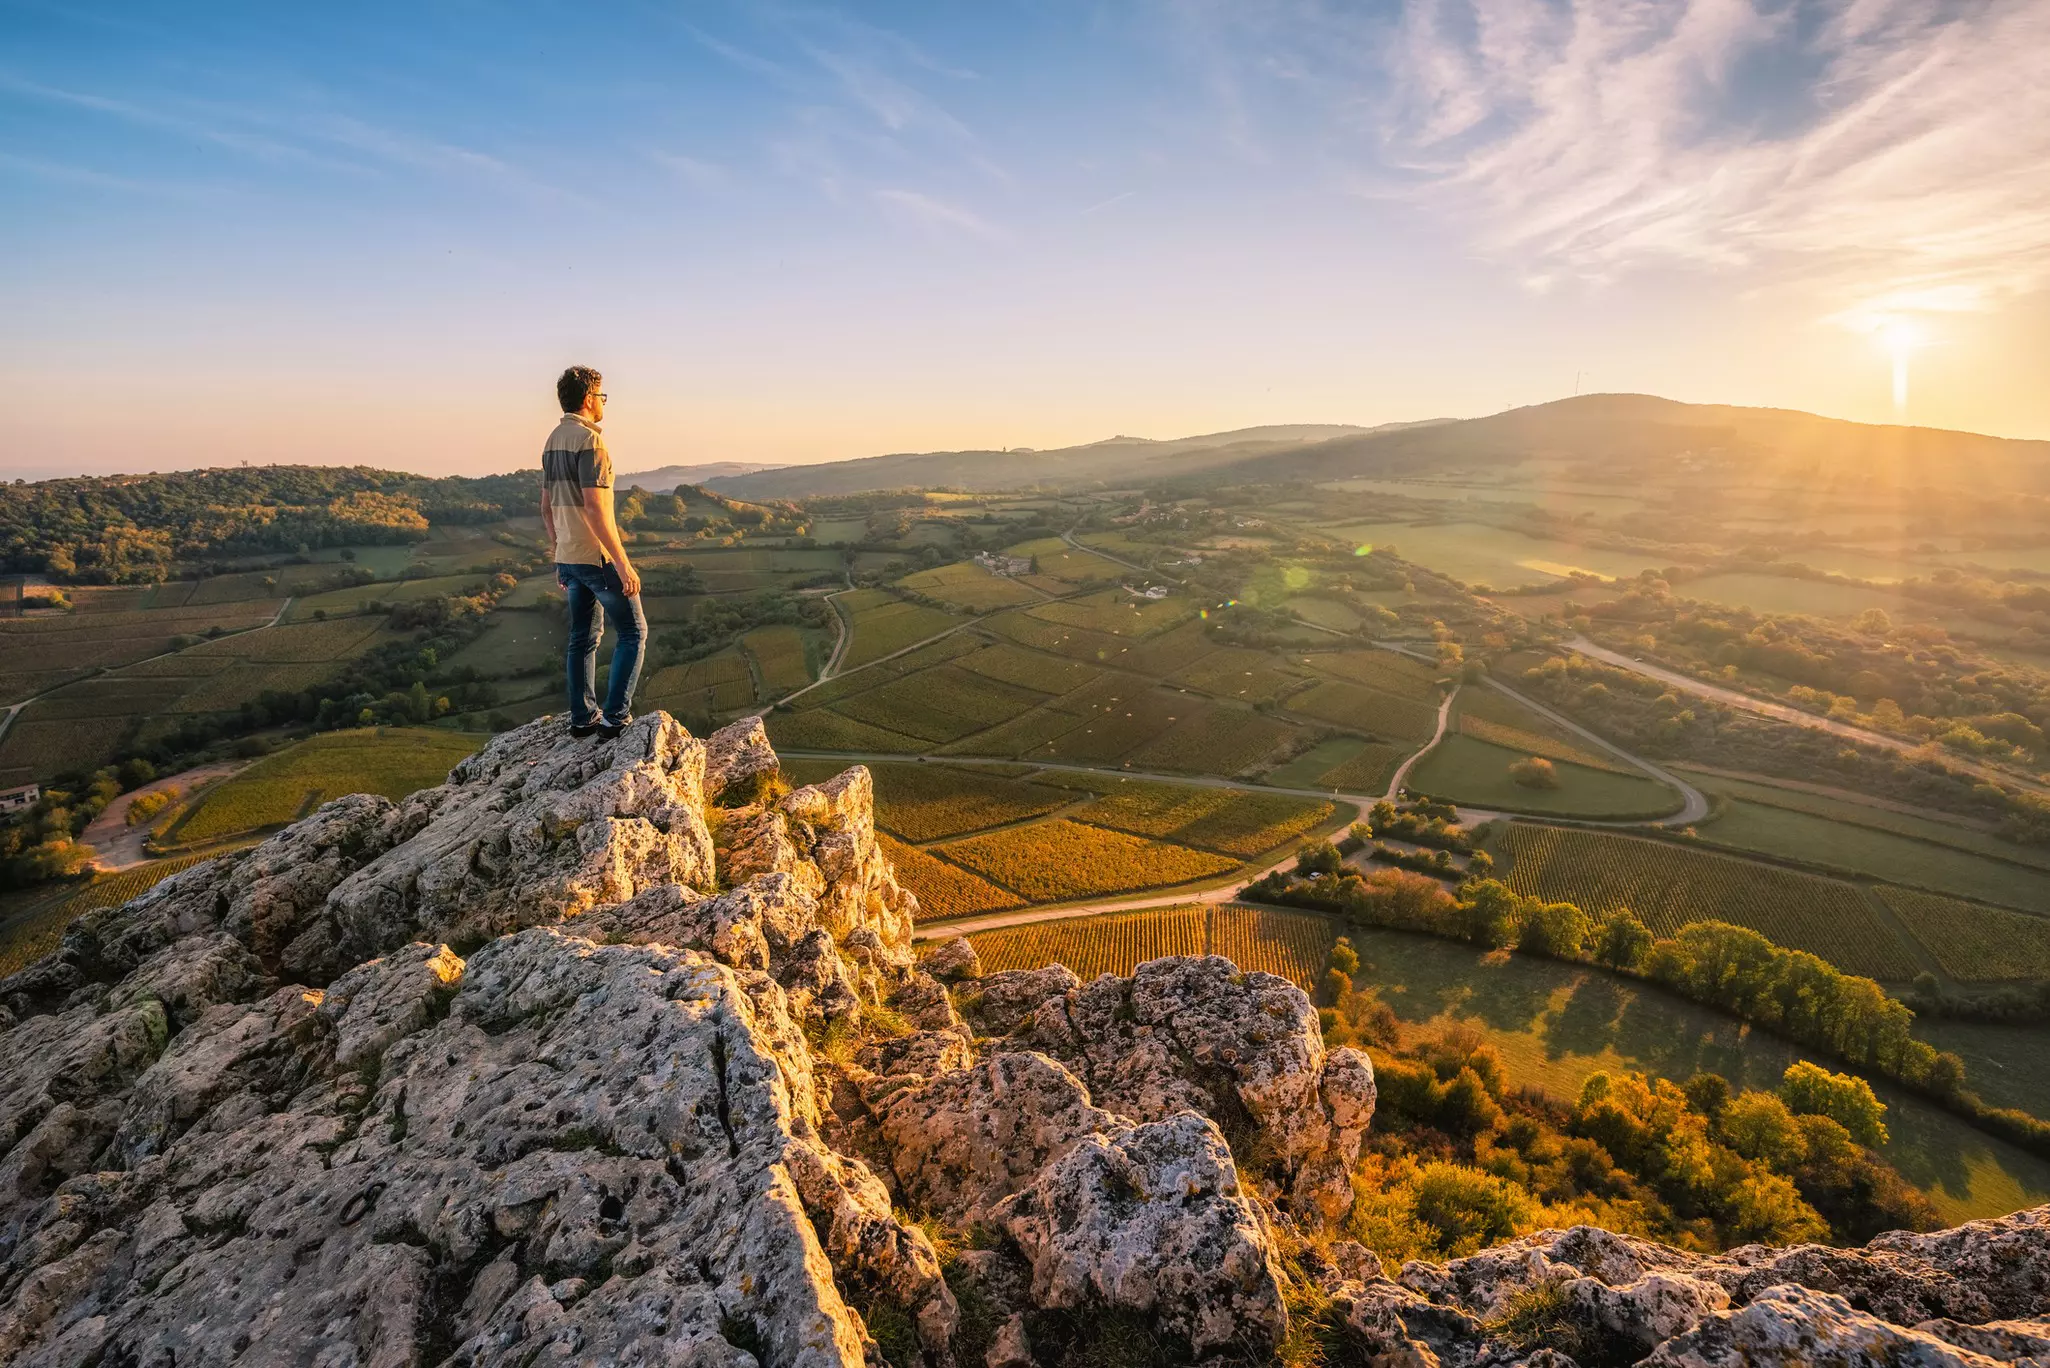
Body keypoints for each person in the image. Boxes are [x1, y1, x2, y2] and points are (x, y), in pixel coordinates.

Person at [541, 365, 644, 739]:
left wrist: (559, 553)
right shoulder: (591, 442)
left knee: (582, 637)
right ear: (588, 399)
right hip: (595, 557)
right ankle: (615, 719)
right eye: (601, 396)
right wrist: (623, 563)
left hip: (569, 555)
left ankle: (582, 718)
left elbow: (546, 507)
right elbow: (596, 510)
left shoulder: (552, 440)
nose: (603, 403)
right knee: (633, 632)